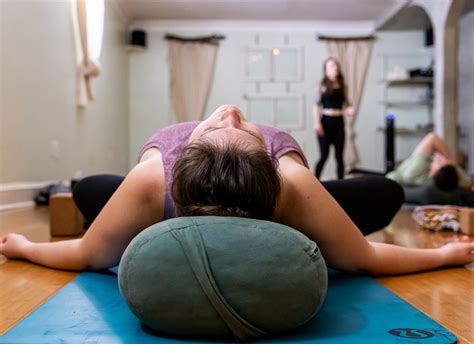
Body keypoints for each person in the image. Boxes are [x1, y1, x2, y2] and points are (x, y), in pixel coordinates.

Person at [1, 105, 473, 274]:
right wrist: (444, 256)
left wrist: (24, 248)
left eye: (236, 126)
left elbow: (86, 253)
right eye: (234, 125)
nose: (229, 112)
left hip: (268, 202)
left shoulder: (291, 185)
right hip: (183, 203)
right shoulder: (151, 179)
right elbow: (363, 260)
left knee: (382, 192)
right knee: (89, 188)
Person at [313, 57, 355, 180]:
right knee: (324, 156)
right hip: (325, 122)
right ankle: (316, 182)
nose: (334, 68)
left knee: (339, 157)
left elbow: (347, 105)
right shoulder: (321, 86)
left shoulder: (343, 86)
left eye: (336, 65)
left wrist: (350, 110)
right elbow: (315, 106)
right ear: (325, 70)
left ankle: (341, 184)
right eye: (331, 66)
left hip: (339, 123)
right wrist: (316, 123)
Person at [386, 132, 471, 191]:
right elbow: (467, 183)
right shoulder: (447, 179)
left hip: (388, 182)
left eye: (440, 161)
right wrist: (454, 166)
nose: (441, 157)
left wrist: (451, 160)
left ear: (432, 173)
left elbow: (432, 137)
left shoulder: (418, 168)